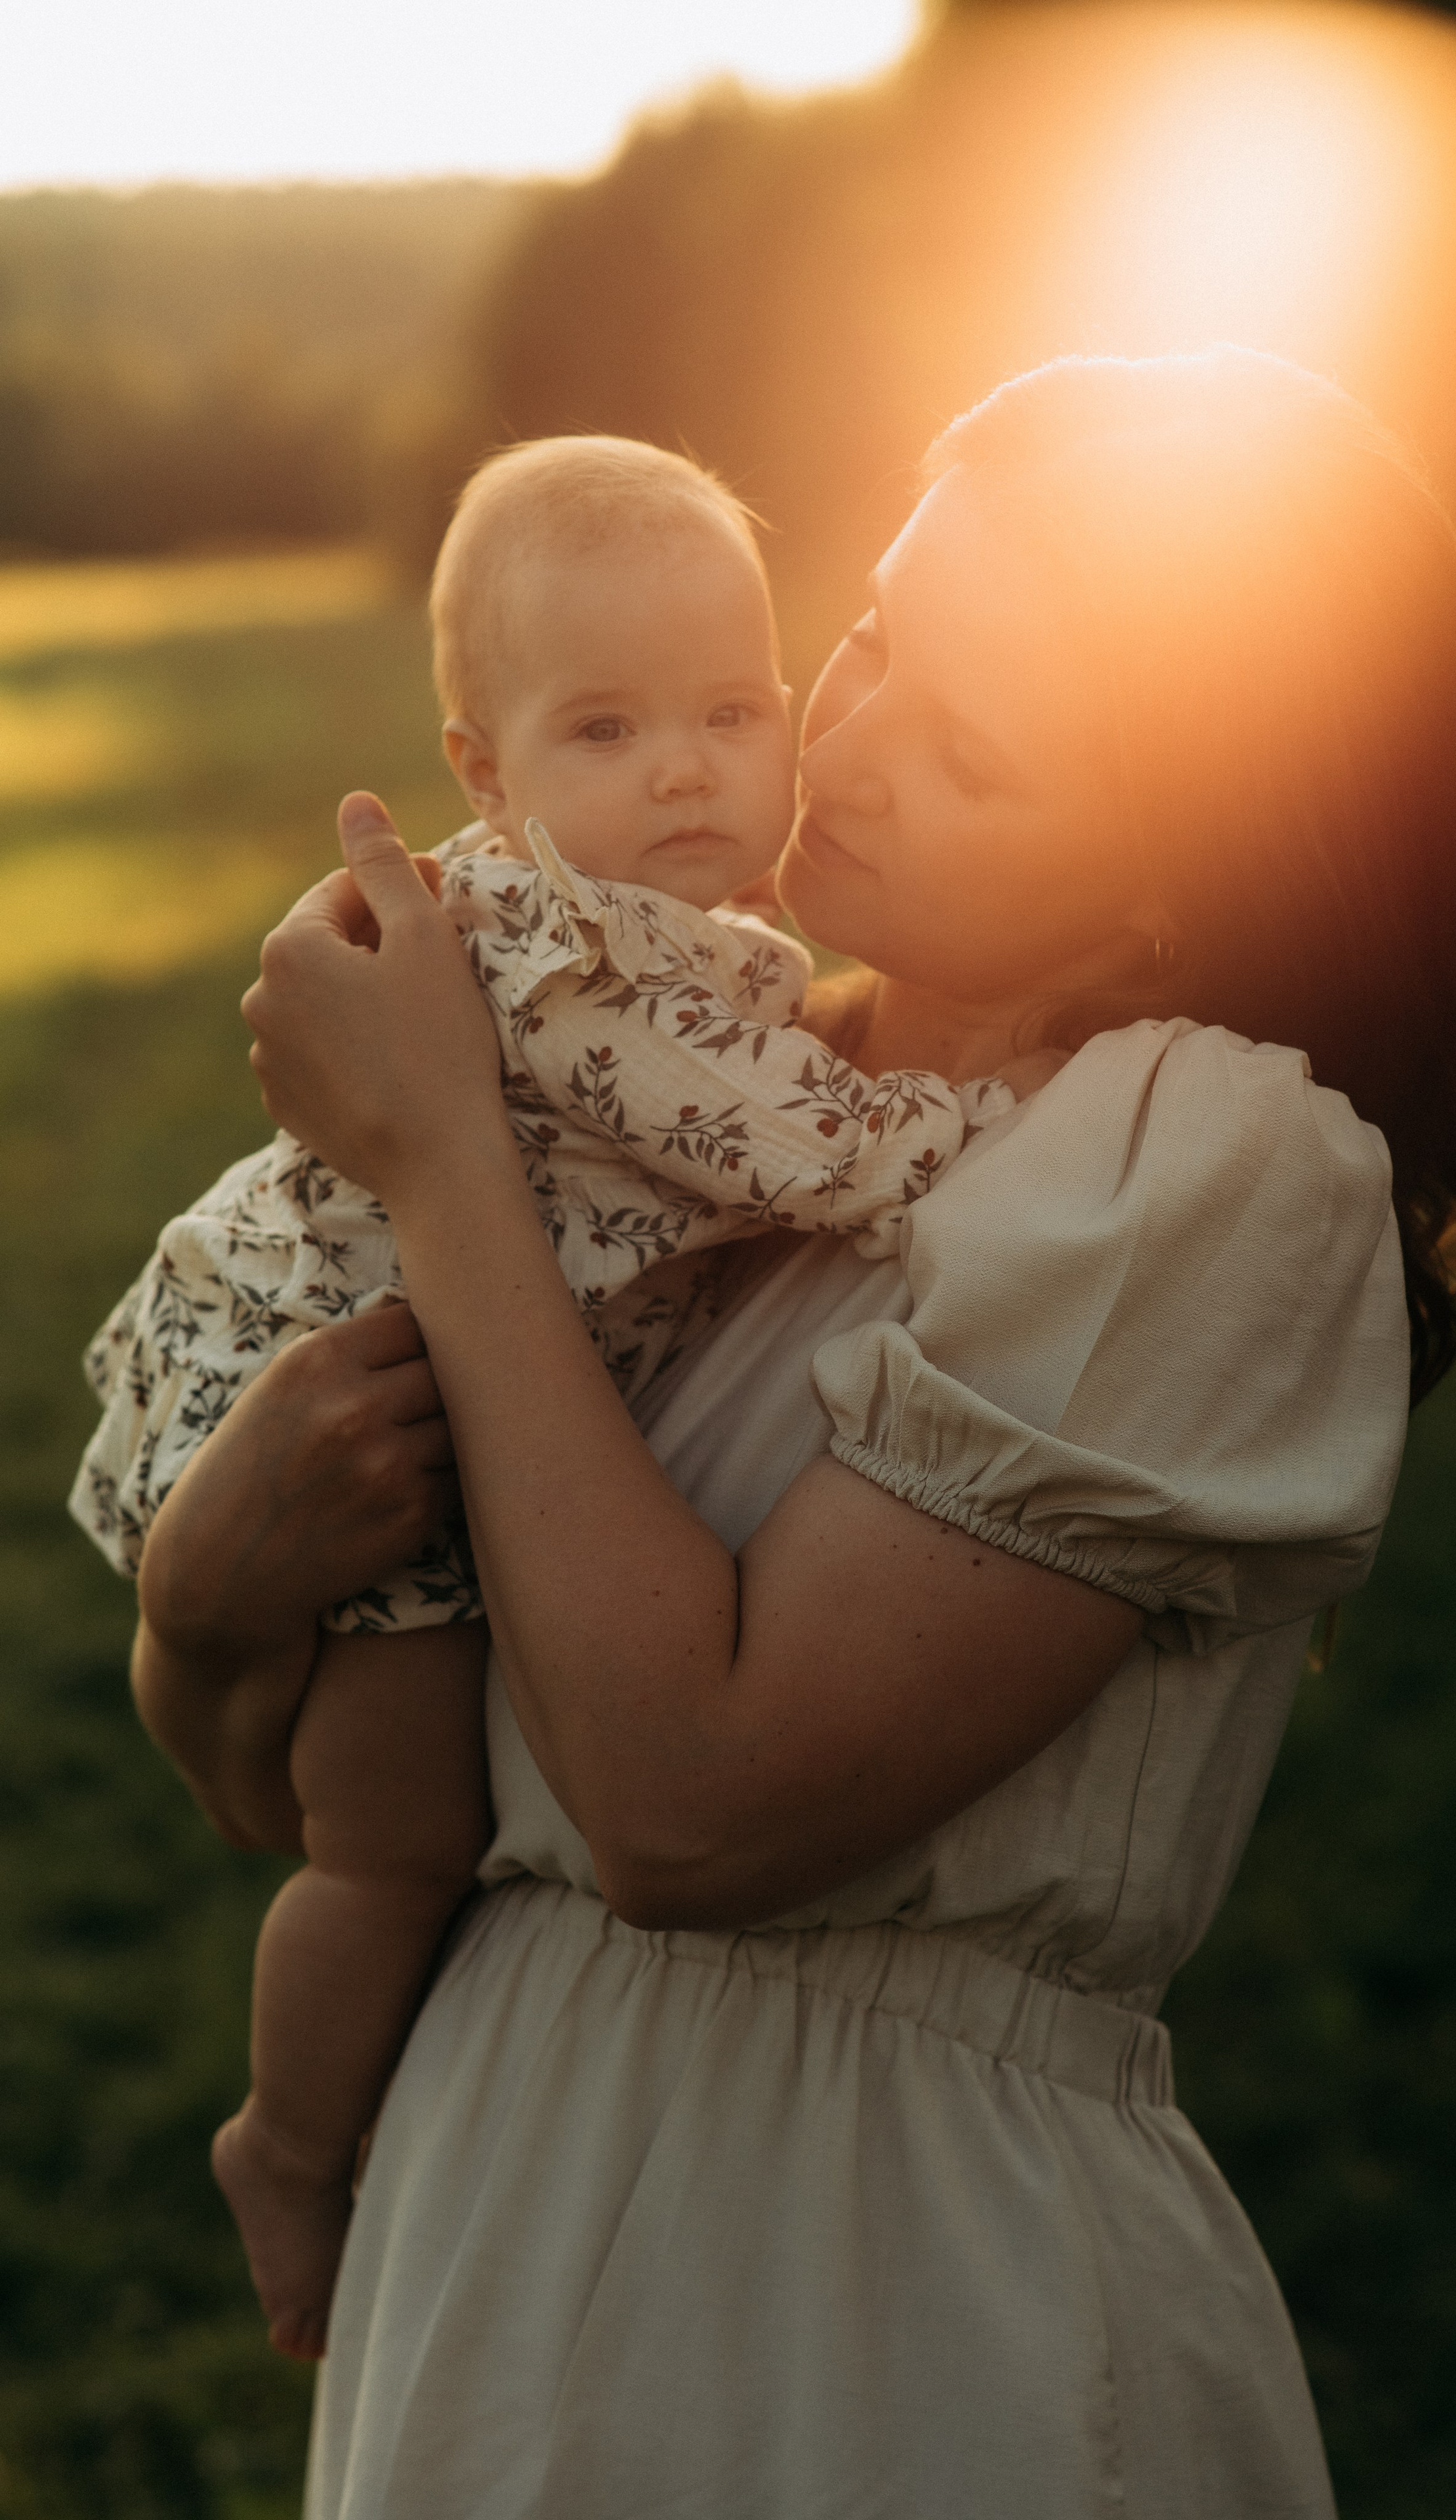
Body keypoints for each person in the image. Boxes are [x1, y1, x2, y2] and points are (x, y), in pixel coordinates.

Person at [130, 349, 1456, 2517]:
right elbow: (321, 1799)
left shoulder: (1200, 1168)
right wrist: (212, 1596)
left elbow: (688, 1812)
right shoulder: (700, 1099)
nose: (845, 752)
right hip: (490, 2206)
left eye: (969, 749)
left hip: (856, 2292)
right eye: (868, 636)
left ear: (1187, 857)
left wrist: (438, 1169)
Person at [72, 433, 1035, 2361]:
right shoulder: (556, 950)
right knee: (392, 1830)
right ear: (484, 776)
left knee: (380, 1792)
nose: (688, 769)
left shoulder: (678, 936)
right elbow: (800, 1146)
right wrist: (990, 1134)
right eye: (605, 729)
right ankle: (288, 2138)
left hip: (392, 1381)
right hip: (335, 1381)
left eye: (730, 709)